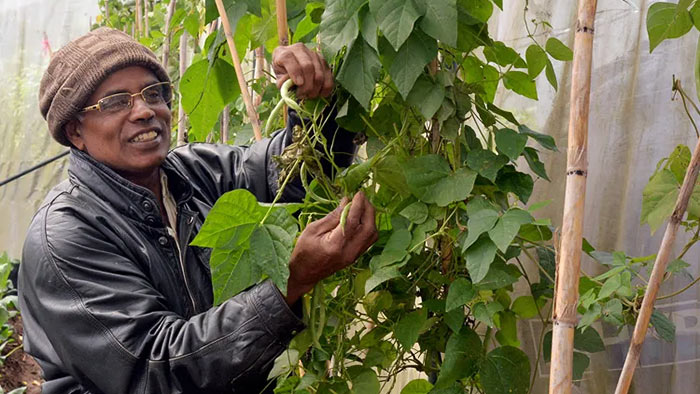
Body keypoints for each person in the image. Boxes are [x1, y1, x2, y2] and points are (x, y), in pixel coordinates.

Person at [18, 27, 378, 394]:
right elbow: (154, 371)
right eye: (115, 101)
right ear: (75, 130)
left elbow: (292, 175)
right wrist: (290, 282)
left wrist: (314, 100)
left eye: (152, 93)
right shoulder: (65, 235)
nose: (144, 110)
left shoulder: (195, 172)